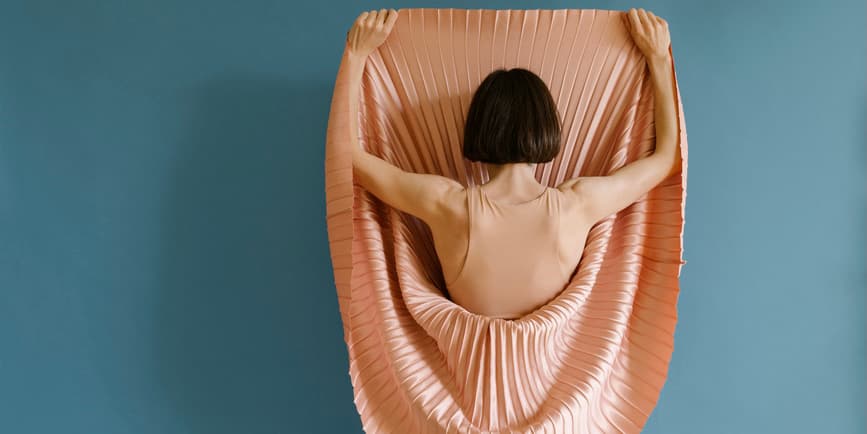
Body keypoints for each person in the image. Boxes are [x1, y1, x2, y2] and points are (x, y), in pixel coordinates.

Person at [344, 8, 680, 319]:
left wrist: (357, 56)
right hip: (558, 382)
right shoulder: (577, 204)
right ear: (546, 127)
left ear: (477, 127)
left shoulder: (446, 204)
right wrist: (658, 59)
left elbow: (349, 155)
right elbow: (665, 157)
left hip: (460, 378)